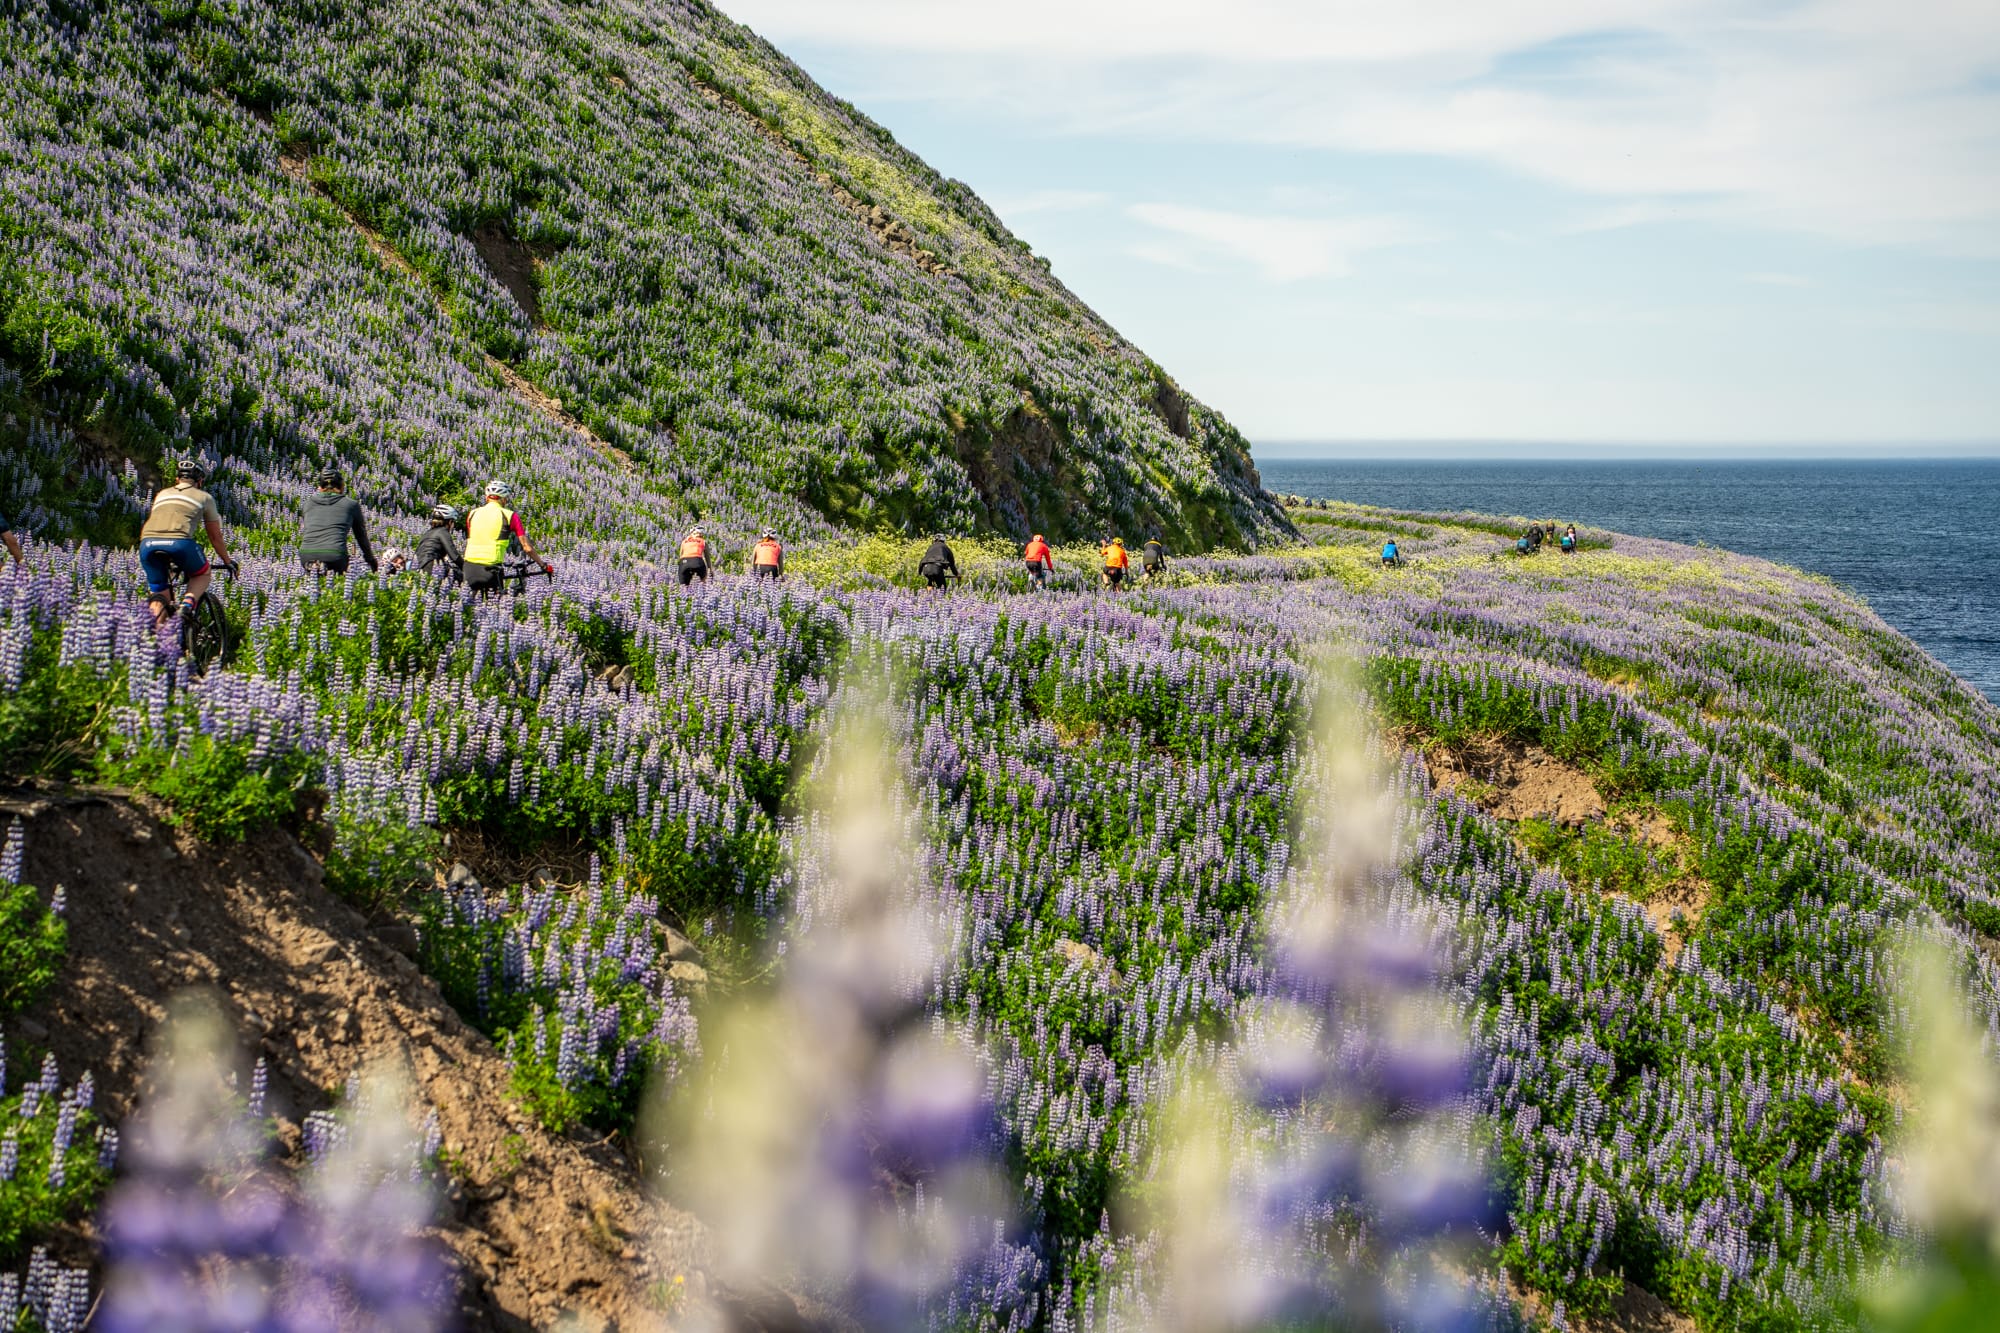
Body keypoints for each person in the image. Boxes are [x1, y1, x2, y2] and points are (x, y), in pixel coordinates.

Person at [138, 458, 237, 625]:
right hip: (180, 543)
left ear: (177, 479)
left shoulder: (162, 494)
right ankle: (187, 606)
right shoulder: (204, 497)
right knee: (202, 573)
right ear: (200, 481)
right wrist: (228, 561)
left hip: (147, 543)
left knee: (159, 594)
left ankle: (155, 642)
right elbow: (215, 536)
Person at [463, 480, 551, 595]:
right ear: (504, 499)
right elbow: (527, 547)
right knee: (495, 608)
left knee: (468, 605)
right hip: (491, 568)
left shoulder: (472, 514)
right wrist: (543, 565)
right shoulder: (509, 515)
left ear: (487, 498)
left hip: (469, 567)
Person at [299, 466, 378, 576]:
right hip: (335, 555)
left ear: (320, 488)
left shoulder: (307, 504)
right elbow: (361, 536)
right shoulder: (351, 505)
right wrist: (371, 560)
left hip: (306, 554)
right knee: (337, 587)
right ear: (342, 486)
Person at [413, 504, 465, 578]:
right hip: (432, 566)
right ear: (450, 522)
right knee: (461, 577)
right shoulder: (443, 532)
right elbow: (454, 556)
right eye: (453, 522)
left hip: (418, 567)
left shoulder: (428, 532)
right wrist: (466, 568)